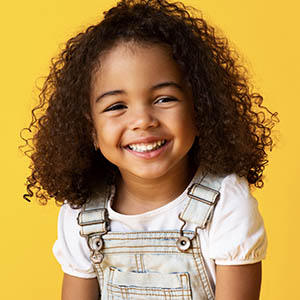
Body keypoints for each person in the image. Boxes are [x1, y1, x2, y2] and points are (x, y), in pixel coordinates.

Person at [22, 0, 278, 299]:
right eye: (117, 106)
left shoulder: (226, 206)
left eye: (164, 99)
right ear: (90, 129)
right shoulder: (81, 216)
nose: (142, 120)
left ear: (200, 108)